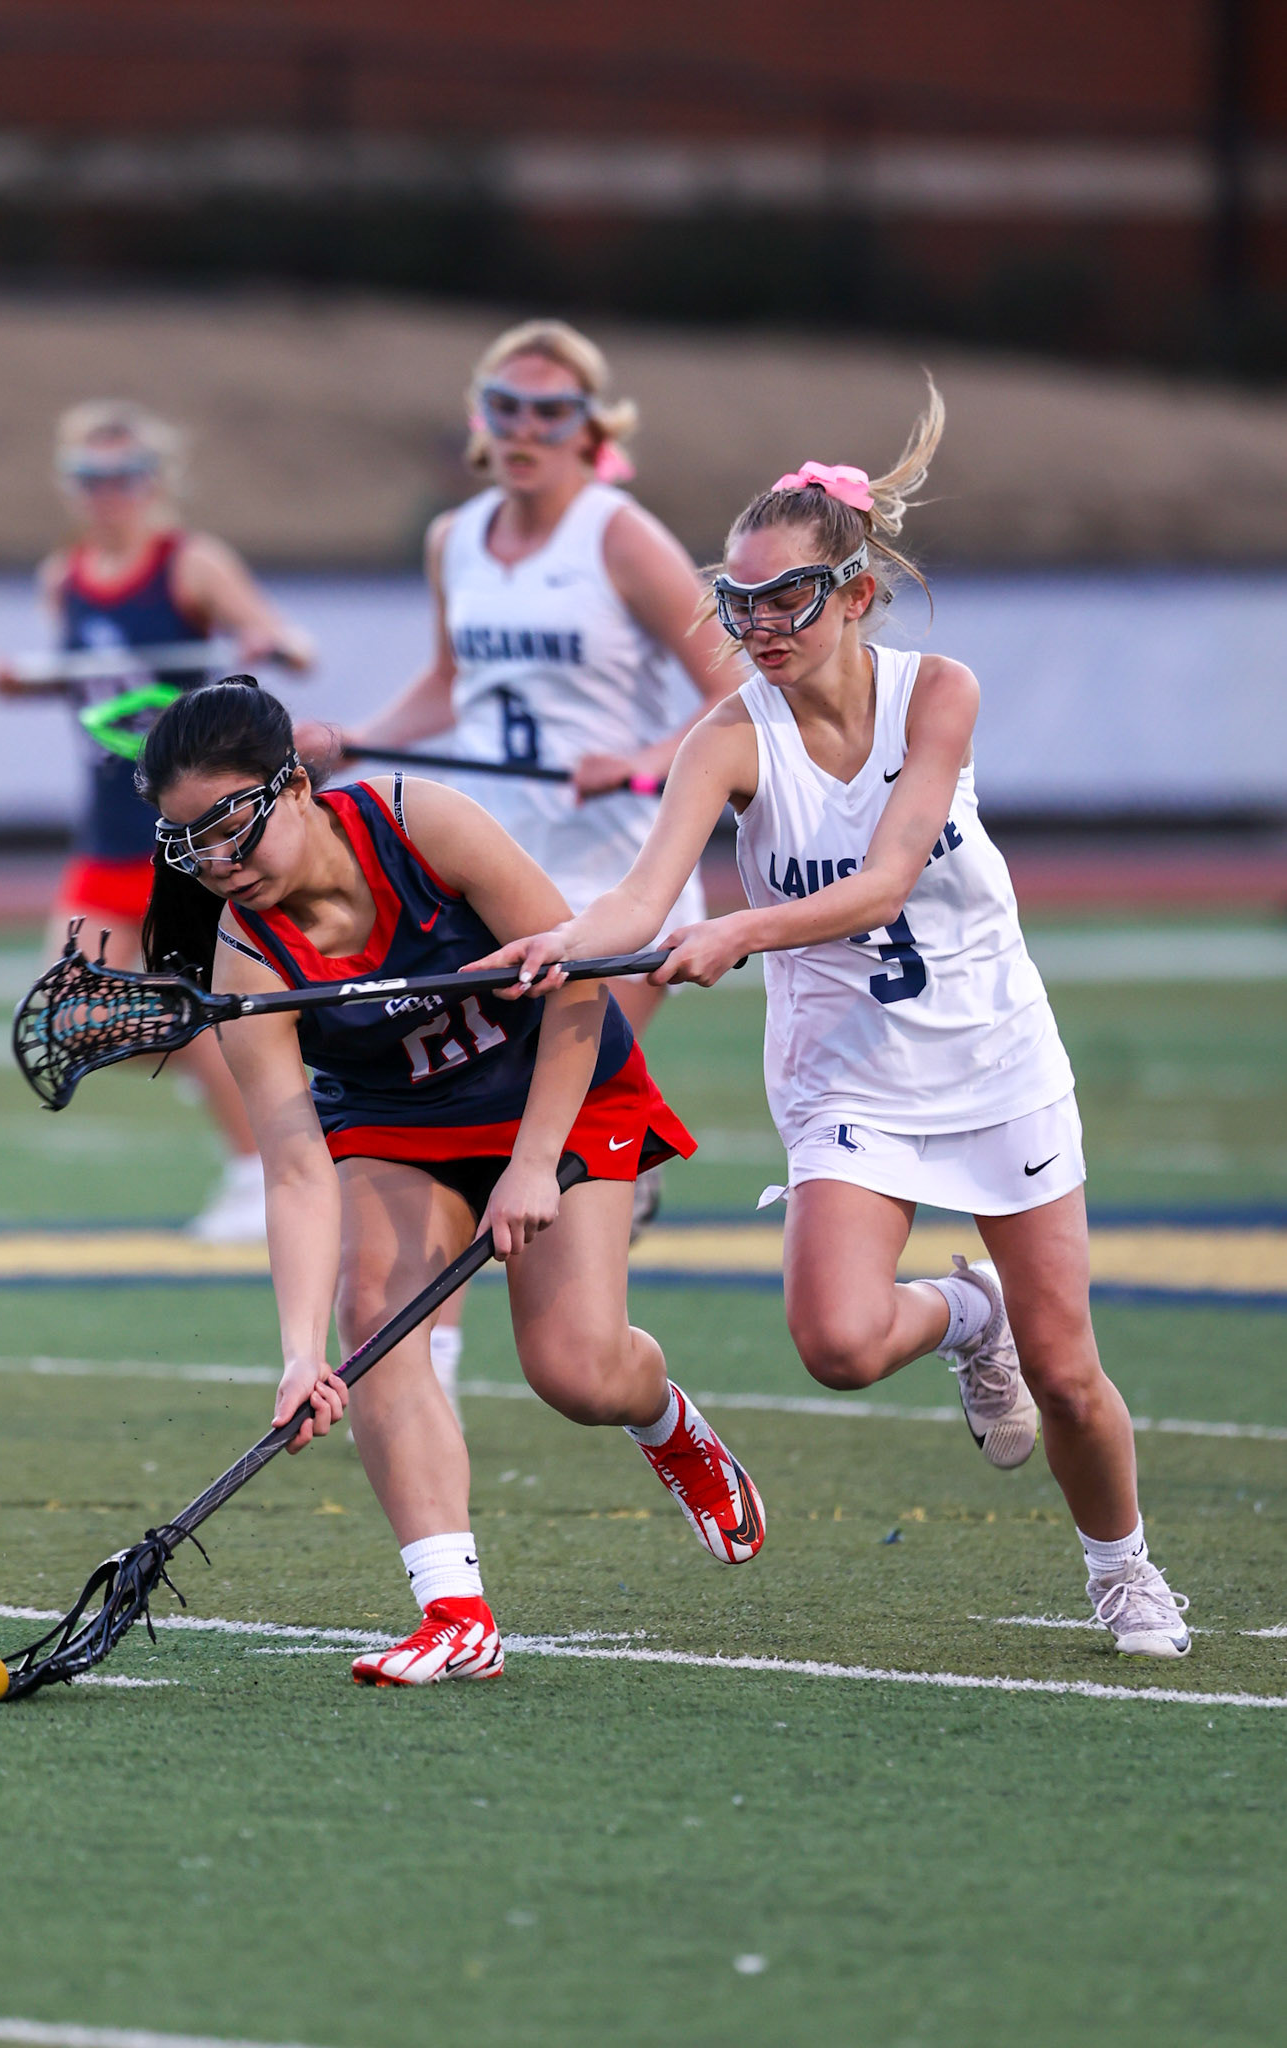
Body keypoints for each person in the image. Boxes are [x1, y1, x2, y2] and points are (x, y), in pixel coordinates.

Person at [479, 384, 1191, 1659]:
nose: (758, 626)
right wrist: (552, 942)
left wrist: (737, 931)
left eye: (786, 600)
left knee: (1072, 1373)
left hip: (995, 1055)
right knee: (839, 1344)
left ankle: (1124, 1568)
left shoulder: (940, 694)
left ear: (856, 593)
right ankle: (968, 1317)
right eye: (738, 604)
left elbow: (886, 877)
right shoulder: (724, 739)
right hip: (848, 1077)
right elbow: (640, 898)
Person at [136, 678, 765, 1686]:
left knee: (577, 1371)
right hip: (397, 1120)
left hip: (557, 1090)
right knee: (372, 1318)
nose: (220, 864)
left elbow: (580, 978)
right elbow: (296, 1166)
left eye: (232, 828)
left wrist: (528, 1160)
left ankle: (666, 1419)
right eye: (190, 844)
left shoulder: (421, 822)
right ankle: (455, 1612)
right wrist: (300, 1355)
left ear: (295, 786)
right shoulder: (247, 953)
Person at [311, 320, 739, 1412]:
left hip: (617, 879)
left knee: (555, 1092)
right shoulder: (454, 537)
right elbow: (452, 687)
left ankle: (601, 1203)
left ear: (593, 429)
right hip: (490, 884)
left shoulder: (620, 537)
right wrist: (357, 739)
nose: (526, 429)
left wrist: (644, 761)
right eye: (506, 406)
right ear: (480, 419)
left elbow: (735, 693)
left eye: (551, 412)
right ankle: (428, 1372)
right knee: (468, 1115)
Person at [16, 399, 315, 1242]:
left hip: (181, 834)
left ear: (154, 481)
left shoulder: (190, 565)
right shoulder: (61, 576)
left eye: (124, 476)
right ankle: (260, 1155)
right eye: (90, 478)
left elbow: (280, 642)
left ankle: (259, 1171)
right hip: (104, 831)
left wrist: (271, 644)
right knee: (80, 1013)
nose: (108, 493)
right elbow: (83, 681)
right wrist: (19, 681)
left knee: (185, 1010)